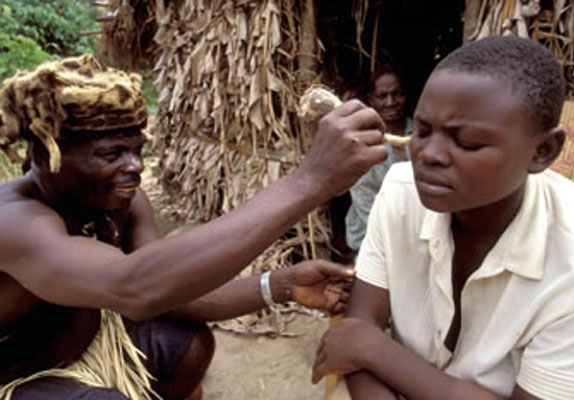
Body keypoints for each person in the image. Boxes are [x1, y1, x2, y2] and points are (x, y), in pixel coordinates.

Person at [0, 54, 388, 400]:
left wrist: (283, 285)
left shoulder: (120, 201)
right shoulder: (16, 222)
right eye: (111, 154)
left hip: (80, 347)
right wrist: (311, 180)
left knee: (188, 345)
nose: (135, 166)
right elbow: (136, 287)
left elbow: (169, 291)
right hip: (15, 377)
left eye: (137, 149)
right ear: (42, 155)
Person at [312, 36, 574, 400]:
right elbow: (356, 331)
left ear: (543, 151)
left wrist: (375, 349)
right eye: (424, 131)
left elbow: (358, 341)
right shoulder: (400, 194)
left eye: (468, 143)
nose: (429, 155)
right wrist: (363, 345)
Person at [344, 65, 413, 254]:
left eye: (397, 94)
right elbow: (365, 203)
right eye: (382, 96)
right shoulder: (362, 143)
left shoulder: (422, 135)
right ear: (371, 100)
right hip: (371, 239)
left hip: (419, 236)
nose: (391, 102)